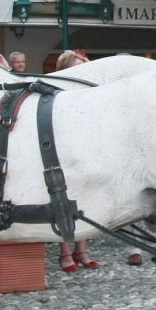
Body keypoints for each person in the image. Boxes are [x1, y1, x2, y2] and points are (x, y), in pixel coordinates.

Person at [53, 49, 99, 271]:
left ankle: (82, 249)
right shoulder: (57, 91)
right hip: (64, 150)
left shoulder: (90, 92)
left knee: (85, 202)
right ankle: (65, 252)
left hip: (86, 149)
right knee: (63, 201)